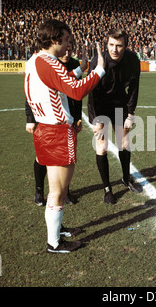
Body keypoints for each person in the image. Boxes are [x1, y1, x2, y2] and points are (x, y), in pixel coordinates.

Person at [24, 19, 105, 253]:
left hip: (44, 129)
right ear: (54, 38)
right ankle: (54, 243)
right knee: (58, 191)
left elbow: (56, 82)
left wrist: (82, 70)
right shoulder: (50, 62)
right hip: (57, 131)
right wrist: (100, 68)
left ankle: (56, 231)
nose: (69, 45)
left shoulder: (34, 60)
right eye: (67, 39)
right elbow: (77, 90)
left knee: (55, 190)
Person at [25, 36, 86, 206]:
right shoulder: (45, 63)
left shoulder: (73, 64)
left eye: (70, 49)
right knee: (42, 158)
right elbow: (31, 92)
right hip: (45, 119)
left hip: (66, 120)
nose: (67, 52)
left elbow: (75, 96)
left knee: (63, 162)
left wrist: (78, 117)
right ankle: (39, 190)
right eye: (65, 48)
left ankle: (64, 192)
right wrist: (30, 119)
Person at [87, 29, 142, 205]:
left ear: (125, 46)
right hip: (100, 105)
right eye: (111, 45)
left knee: (124, 143)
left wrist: (131, 113)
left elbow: (134, 88)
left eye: (119, 45)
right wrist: (95, 119)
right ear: (106, 44)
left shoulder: (132, 60)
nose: (114, 49)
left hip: (120, 104)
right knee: (101, 147)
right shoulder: (98, 60)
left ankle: (126, 178)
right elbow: (91, 93)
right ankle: (107, 189)